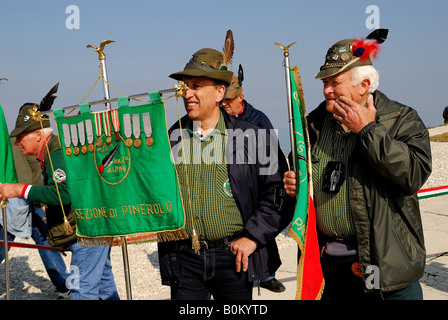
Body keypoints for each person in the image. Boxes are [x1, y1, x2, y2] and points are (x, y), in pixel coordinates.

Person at [283, 31, 432, 300]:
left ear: (363, 85)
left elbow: (414, 174)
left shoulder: (401, 119)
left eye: (334, 82)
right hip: (331, 270)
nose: (327, 89)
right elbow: (302, 185)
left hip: (386, 272)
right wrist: (295, 187)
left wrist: (367, 130)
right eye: (325, 82)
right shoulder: (312, 125)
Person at [157, 48, 293, 300]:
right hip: (184, 260)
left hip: (233, 258)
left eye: (197, 85)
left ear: (220, 92)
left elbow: (276, 194)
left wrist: (253, 237)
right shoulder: (172, 137)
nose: (188, 93)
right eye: (185, 86)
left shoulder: (252, 137)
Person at [0, 90, 120, 300]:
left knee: (81, 292)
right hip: (91, 228)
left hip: (87, 233)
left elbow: (63, 193)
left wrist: (19, 189)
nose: (17, 142)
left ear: (38, 134)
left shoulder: (55, 152)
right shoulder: (52, 151)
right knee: (103, 287)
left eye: (21, 137)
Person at [221, 67, 286, 293]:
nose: (225, 104)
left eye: (229, 100)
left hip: (258, 181)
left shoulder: (259, 119)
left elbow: (273, 155)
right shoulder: (219, 118)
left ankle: (267, 274)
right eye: (222, 100)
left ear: (241, 96)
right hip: (235, 181)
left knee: (262, 230)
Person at [0, 137, 71, 299]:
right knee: (44, 240)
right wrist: (42, 201)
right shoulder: (26, 143)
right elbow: (35, 172)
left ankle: (64, 285)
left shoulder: (11, 141)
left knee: (6, 240)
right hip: (28, 196)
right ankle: (63, 285)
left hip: (17, 195)